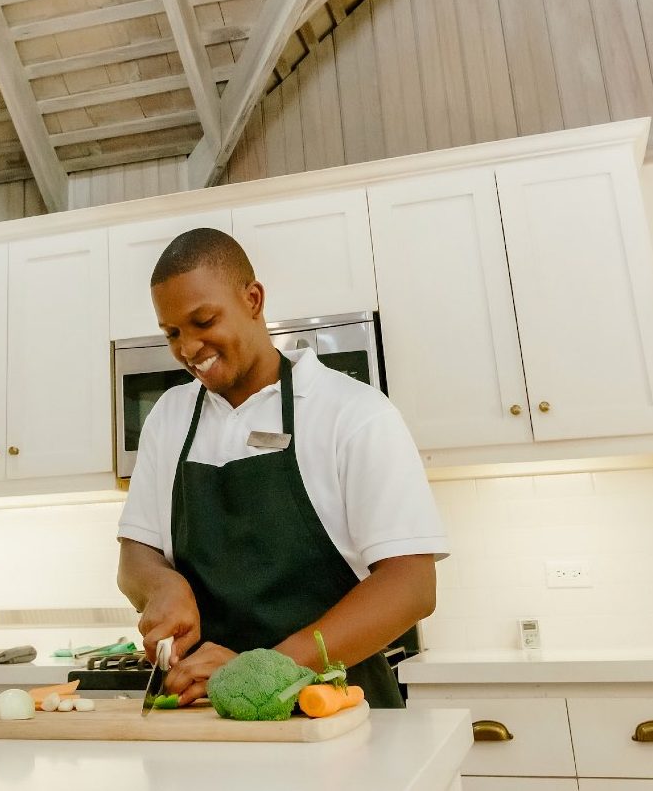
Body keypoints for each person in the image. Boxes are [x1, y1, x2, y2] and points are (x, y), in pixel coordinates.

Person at [116, 228, 448, 709]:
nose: (188, 348)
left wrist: (260, 671)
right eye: (172, 333)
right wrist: (161, 585)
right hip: (208, 716)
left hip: (333, 714)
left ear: (253, 299)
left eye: (203, 321)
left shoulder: (353, 413)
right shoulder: (168, 417)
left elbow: (412, 586)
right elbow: (135, 555)